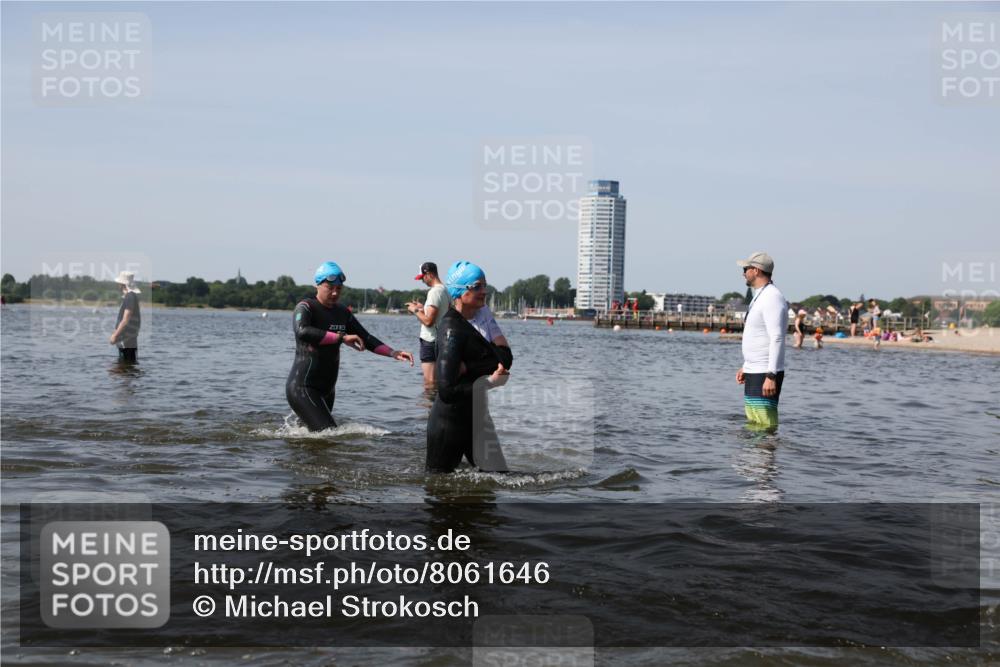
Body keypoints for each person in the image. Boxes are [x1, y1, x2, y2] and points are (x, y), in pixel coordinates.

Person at [286, 261, 413, 432]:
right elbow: (303, 332)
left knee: (313, 438)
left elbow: (365, 337)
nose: (335, 292)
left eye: (339, 288)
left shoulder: (342, 312)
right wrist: (341, 338)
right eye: (330, 287)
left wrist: (393, 352)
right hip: (303, 387)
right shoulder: (306, 307)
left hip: (327, 389)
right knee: (329, 433)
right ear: (317, 285)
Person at [426, 261, 513, 473]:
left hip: (478, 419)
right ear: (460, 291)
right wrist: (489, 380)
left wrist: (469, 368)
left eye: (485, 286)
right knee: (440, 490)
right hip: (449, 423)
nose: (484, 291)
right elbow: (447, 391)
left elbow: (506, 358)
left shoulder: (483, 316)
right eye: (477, 287)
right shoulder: (451, 330)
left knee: (500, 478)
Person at [734, 252, 788, 431]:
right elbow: (758, 335)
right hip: (754, 369)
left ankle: (765, 458)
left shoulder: (772, 297)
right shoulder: (760, 296)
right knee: (754, 423)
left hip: (765, 372)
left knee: (765, 425)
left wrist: (771, 375)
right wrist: (746, 365)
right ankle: (752, 459)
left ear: (756, 270)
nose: (743, 273)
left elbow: (777, 337)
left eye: (745, 269)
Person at [406, 262, 450, 388]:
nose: (422, 281)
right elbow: (440, 314)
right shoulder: (445, 290)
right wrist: (421, 308)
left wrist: (414, 309)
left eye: (422, 278)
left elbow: (429, 321)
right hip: (441, 340)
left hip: (430, 341)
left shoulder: (434, 292)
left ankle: (429, 406)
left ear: (429, 274)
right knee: (438, 380)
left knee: (430, 382)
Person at [109, 271, 142, 362]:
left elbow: (126, 318)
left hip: (126, 337)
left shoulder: (130, 296)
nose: (118, 285)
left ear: (122, 284)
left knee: (126, 364)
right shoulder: (130, 296)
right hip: (128, 336)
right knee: (128, 365)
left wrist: (115, 335)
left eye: (119, 283)